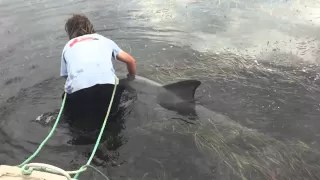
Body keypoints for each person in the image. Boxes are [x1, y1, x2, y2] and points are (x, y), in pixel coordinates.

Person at [60, 14, 136, 132]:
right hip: (108, 90)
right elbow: (131, 61)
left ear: (70, 32)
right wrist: (131, 78)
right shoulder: (104, 40)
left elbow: (67, 77)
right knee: (113, 120)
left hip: (77, 94)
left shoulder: (68, 46)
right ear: (90, 27)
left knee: (75, 124)